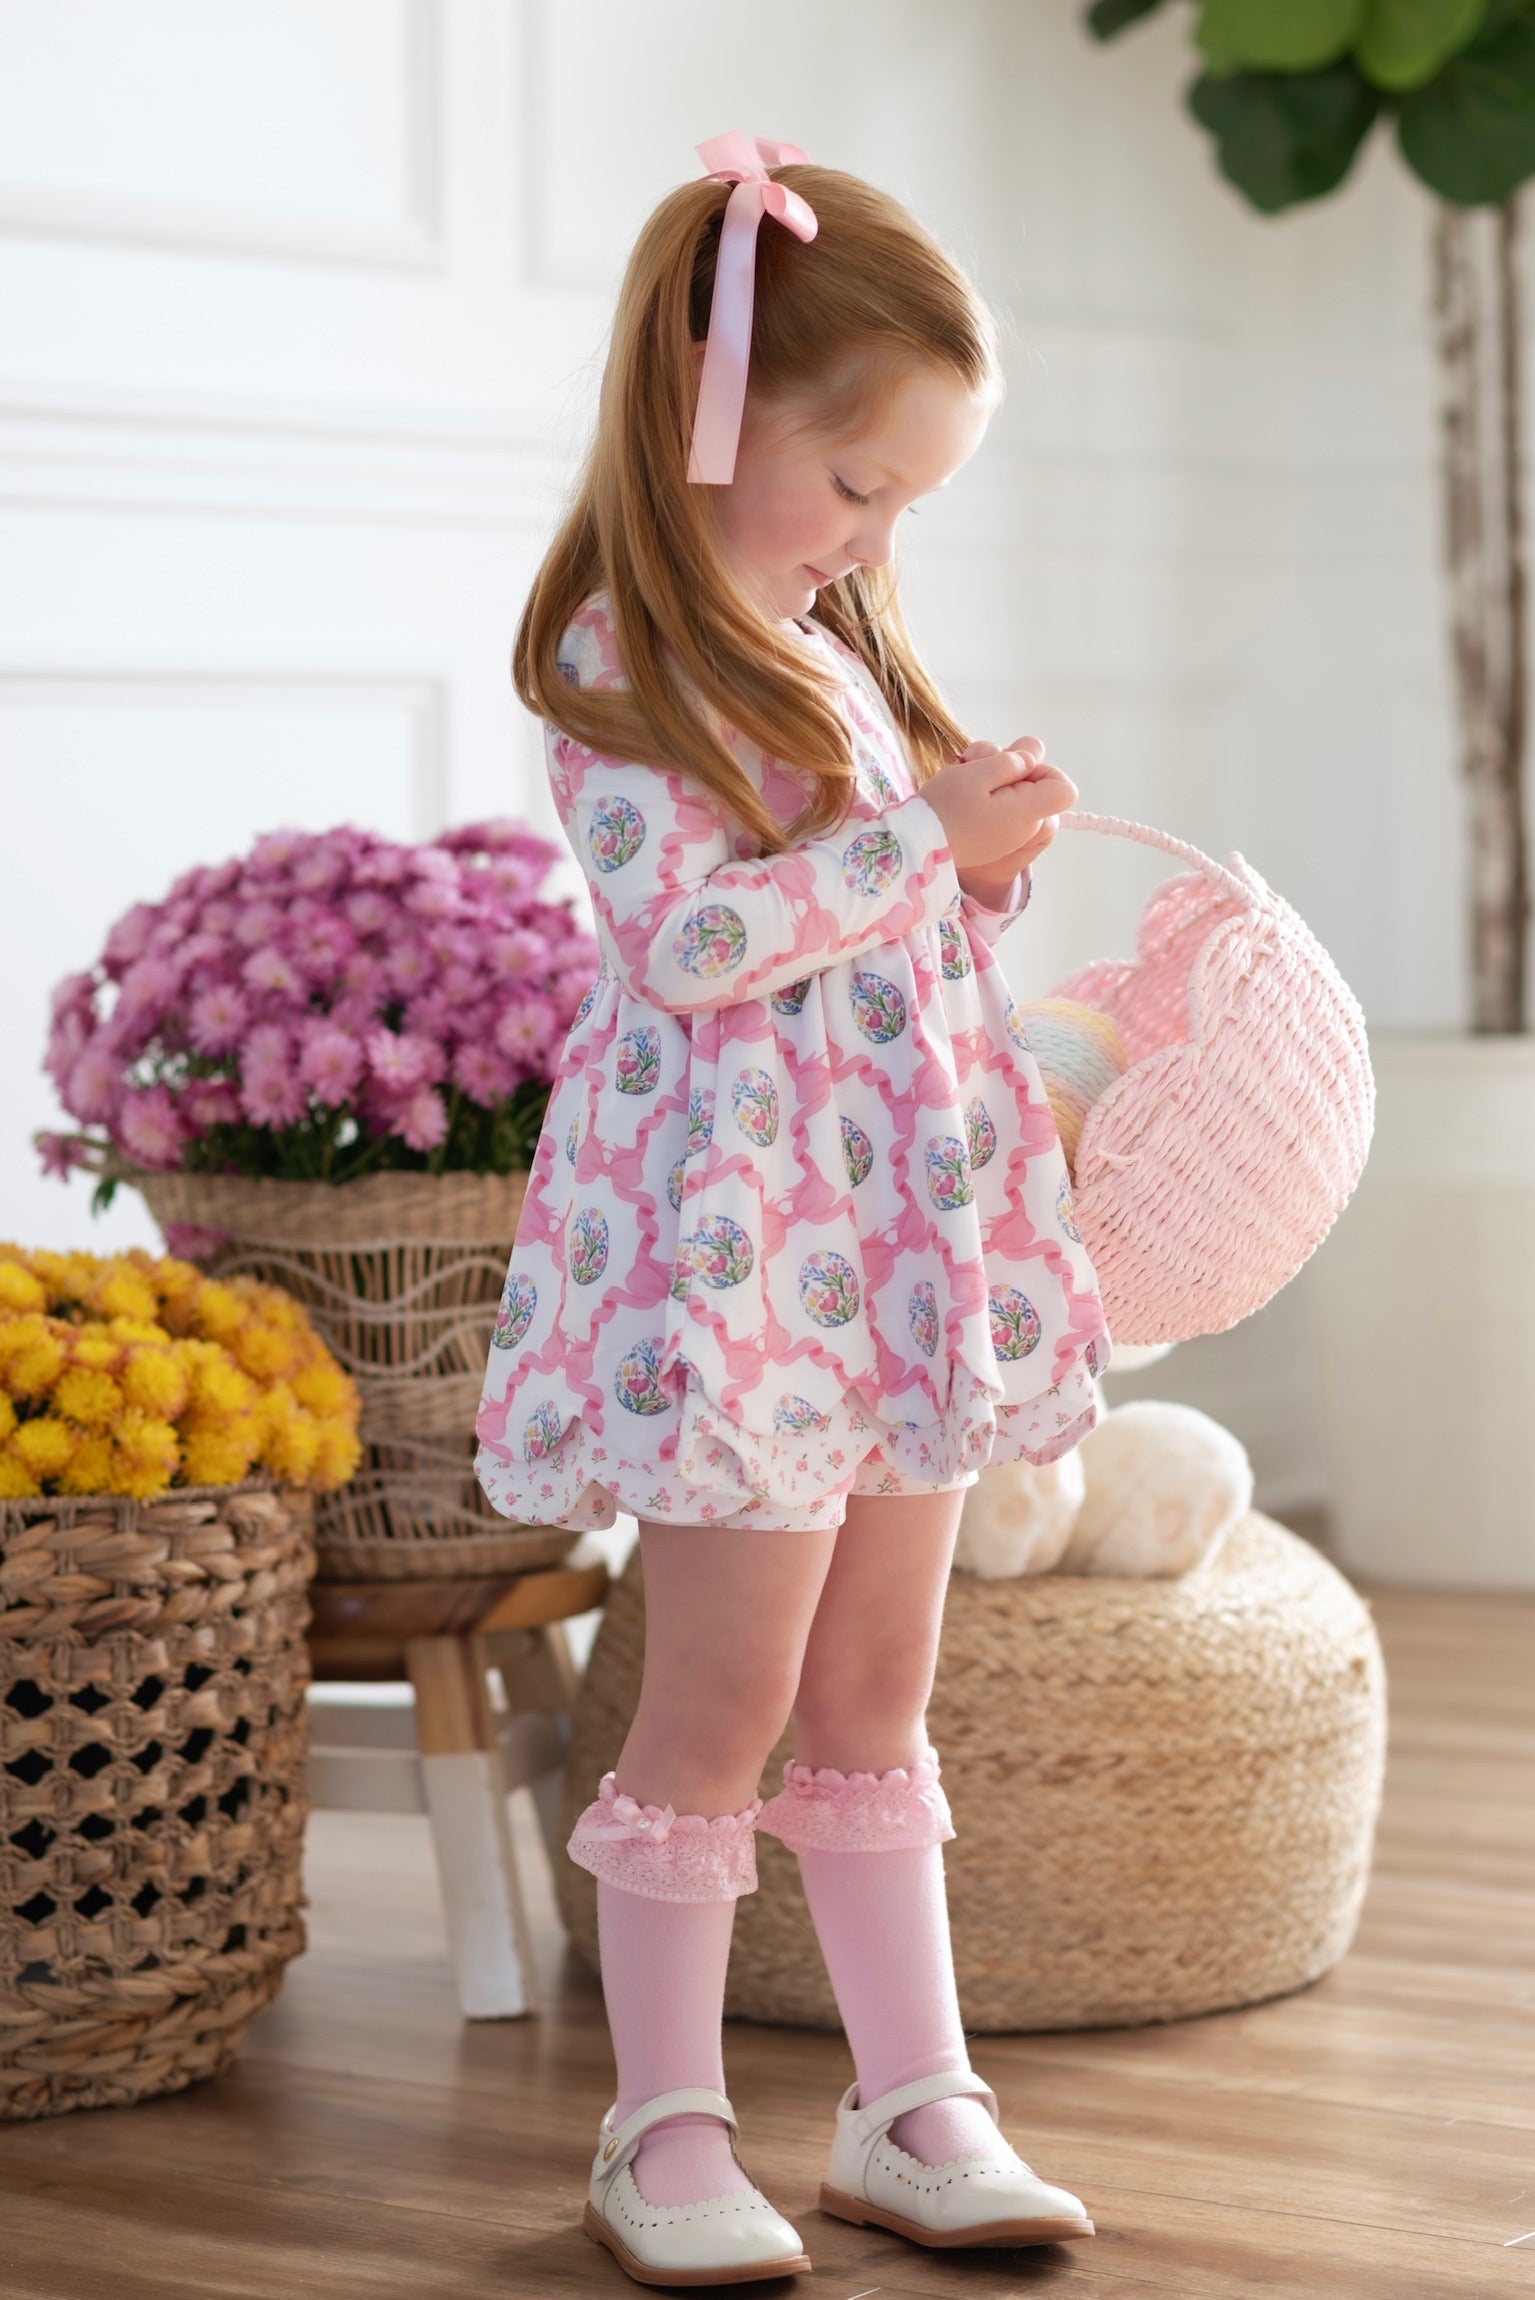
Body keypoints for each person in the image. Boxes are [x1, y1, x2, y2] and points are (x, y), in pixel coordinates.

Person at [475, 131, 1110, 2287]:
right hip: (737, 1272)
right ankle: (659, 2126)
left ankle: (915, 2102)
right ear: (709, 408)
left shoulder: (829, 651)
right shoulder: (617, 662)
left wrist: (978, 868)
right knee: (719, 1704)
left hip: (888, 1247)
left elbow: (871, 947)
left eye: (907, 503)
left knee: (877, 1688)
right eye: (855, 485)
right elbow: (691, 943)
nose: (874, 539)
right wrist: (922, 842)